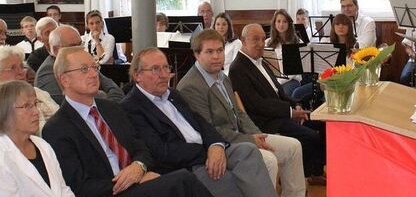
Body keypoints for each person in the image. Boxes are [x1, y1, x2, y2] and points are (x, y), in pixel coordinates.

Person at [42, 47, 212, 197]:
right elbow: (78, 186)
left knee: (182, 180)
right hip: (110, 191)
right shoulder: (57, 128)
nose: (94, 74)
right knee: (183, 181)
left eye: (95, 67)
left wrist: (139, 166)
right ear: (64, 80)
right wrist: (132, 181)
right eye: (84, 69)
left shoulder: (111, 109)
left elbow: (141, 149)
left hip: (138, 181)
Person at [122, 47, 275, 197]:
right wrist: (207, 152)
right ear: (137, 75)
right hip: (187, 165)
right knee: (228, 180)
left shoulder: (173, 94)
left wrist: (216, 145)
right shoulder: (131, 107)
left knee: (248, 151)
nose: (164, 75)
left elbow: (201, 123)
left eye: (166, 68)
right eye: (155, 69)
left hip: (208, 150)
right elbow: (161, 151)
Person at [177, 30, 306, 197]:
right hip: (219, 146)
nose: (216, 56)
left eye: (220, 50)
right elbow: (208, 130)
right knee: (268, 160)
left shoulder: (222, 77)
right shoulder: (191, 86)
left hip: (242, 137)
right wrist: (250, 139)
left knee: (293, 147)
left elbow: (238, 112)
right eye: (209, 52)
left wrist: (256, 134)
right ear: (196, 54)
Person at [229, 24, 326, 185]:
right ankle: (303, 175)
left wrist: (295, 106)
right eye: (255, 40)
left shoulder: (261, 61)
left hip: (279, 114)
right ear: (243, 41)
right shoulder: (237, 68)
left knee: (324, 126)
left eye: (262, 39)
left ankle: (314, 171)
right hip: (267, 121)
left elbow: (279, 91)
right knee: (311, 137)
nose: (261, 44)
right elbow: (256, 104)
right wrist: (289, 113)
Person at [0, 80, 75, 196]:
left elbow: (63, 189)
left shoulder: (42, 145)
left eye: (35, 104)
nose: (36, 112)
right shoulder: (2, 155)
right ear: (5, 112)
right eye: (26, 106)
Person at [35, 24, 124, 103]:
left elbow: (113, 88)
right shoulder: (47, 71)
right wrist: (102, 95)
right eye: (73, 46)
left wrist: (112, 106)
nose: (79, 50)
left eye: (80, 44)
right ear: (56, 50)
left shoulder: (85, 63)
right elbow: (65, 106)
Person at [0, 45, 59, 134]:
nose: (21, 72)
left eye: (22, 67)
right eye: (12, 68)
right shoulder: (3, 103)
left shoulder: (39, 93)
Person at [265, 9, 302, 96]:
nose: (281, 24)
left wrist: (278, 82)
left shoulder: (297, 42)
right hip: (273, 80)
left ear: (289, 24)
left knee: (282, 94)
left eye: (284, 21)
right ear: (274, 23)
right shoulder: (267, 42)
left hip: (292, 80)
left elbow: (293, 73)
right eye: (278, 21)